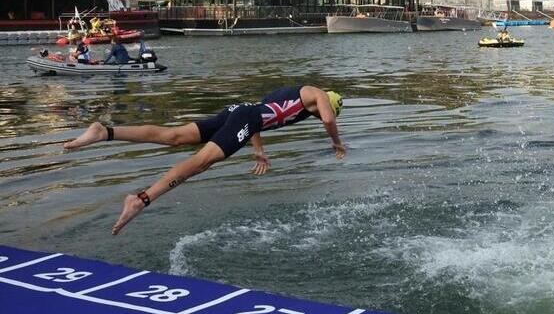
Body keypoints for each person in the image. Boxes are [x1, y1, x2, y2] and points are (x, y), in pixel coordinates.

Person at [63, 86, 345, 235]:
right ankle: (141, 199)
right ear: (329, 102)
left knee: (173, 136)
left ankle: (105, 132)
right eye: (322, 112)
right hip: (245, 117)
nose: (321, 116)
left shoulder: (293, 97)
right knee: (201, 162)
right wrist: (336, 142)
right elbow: (330, 119)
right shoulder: (316, 93)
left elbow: (257, 114)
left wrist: (258, 150)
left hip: (238, 112)